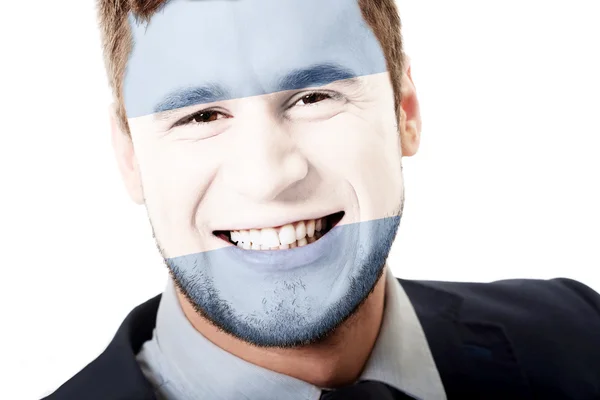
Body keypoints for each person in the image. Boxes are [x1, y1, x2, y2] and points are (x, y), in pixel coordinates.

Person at [44, 0, 600, 399]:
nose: (267, 177)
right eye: (202, 115)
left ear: (404, 111)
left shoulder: (580, 336)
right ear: (131, 158)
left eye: (313, 97)